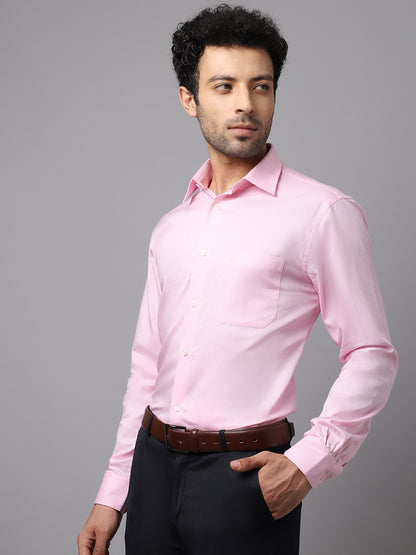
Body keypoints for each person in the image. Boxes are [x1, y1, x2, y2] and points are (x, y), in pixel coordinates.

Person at [77, 5, 398, 554]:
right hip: (151, 472)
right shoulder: (172, 227)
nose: (245, 103)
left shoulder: (322, 213)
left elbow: (372, 353)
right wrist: (113, 493)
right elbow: (147, 366)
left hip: (243, 479)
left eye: (261, 86)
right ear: (189, 99)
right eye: (224, 86)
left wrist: (308, 463)